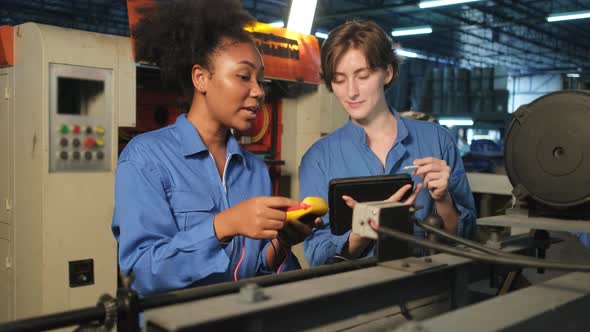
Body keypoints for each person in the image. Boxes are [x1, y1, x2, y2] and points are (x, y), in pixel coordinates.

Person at [112, 0, 315, 296]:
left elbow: (253, 272)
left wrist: (281, 242)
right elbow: (139, 273)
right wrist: (223, 226)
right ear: (201, 78)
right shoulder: (146, 157)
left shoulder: (254, 169)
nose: (258, 91)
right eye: (244, 76)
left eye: (260, 80)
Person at [300, 19, 476, 266]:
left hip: (428, 291)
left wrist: (444, 200)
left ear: (388, 73)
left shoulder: (438, 140)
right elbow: (317, 255)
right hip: (353, 298)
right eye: (339, 79)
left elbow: (466, 238)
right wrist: (358, 236)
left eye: (362, 76)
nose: (351, 92)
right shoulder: (318, 159)